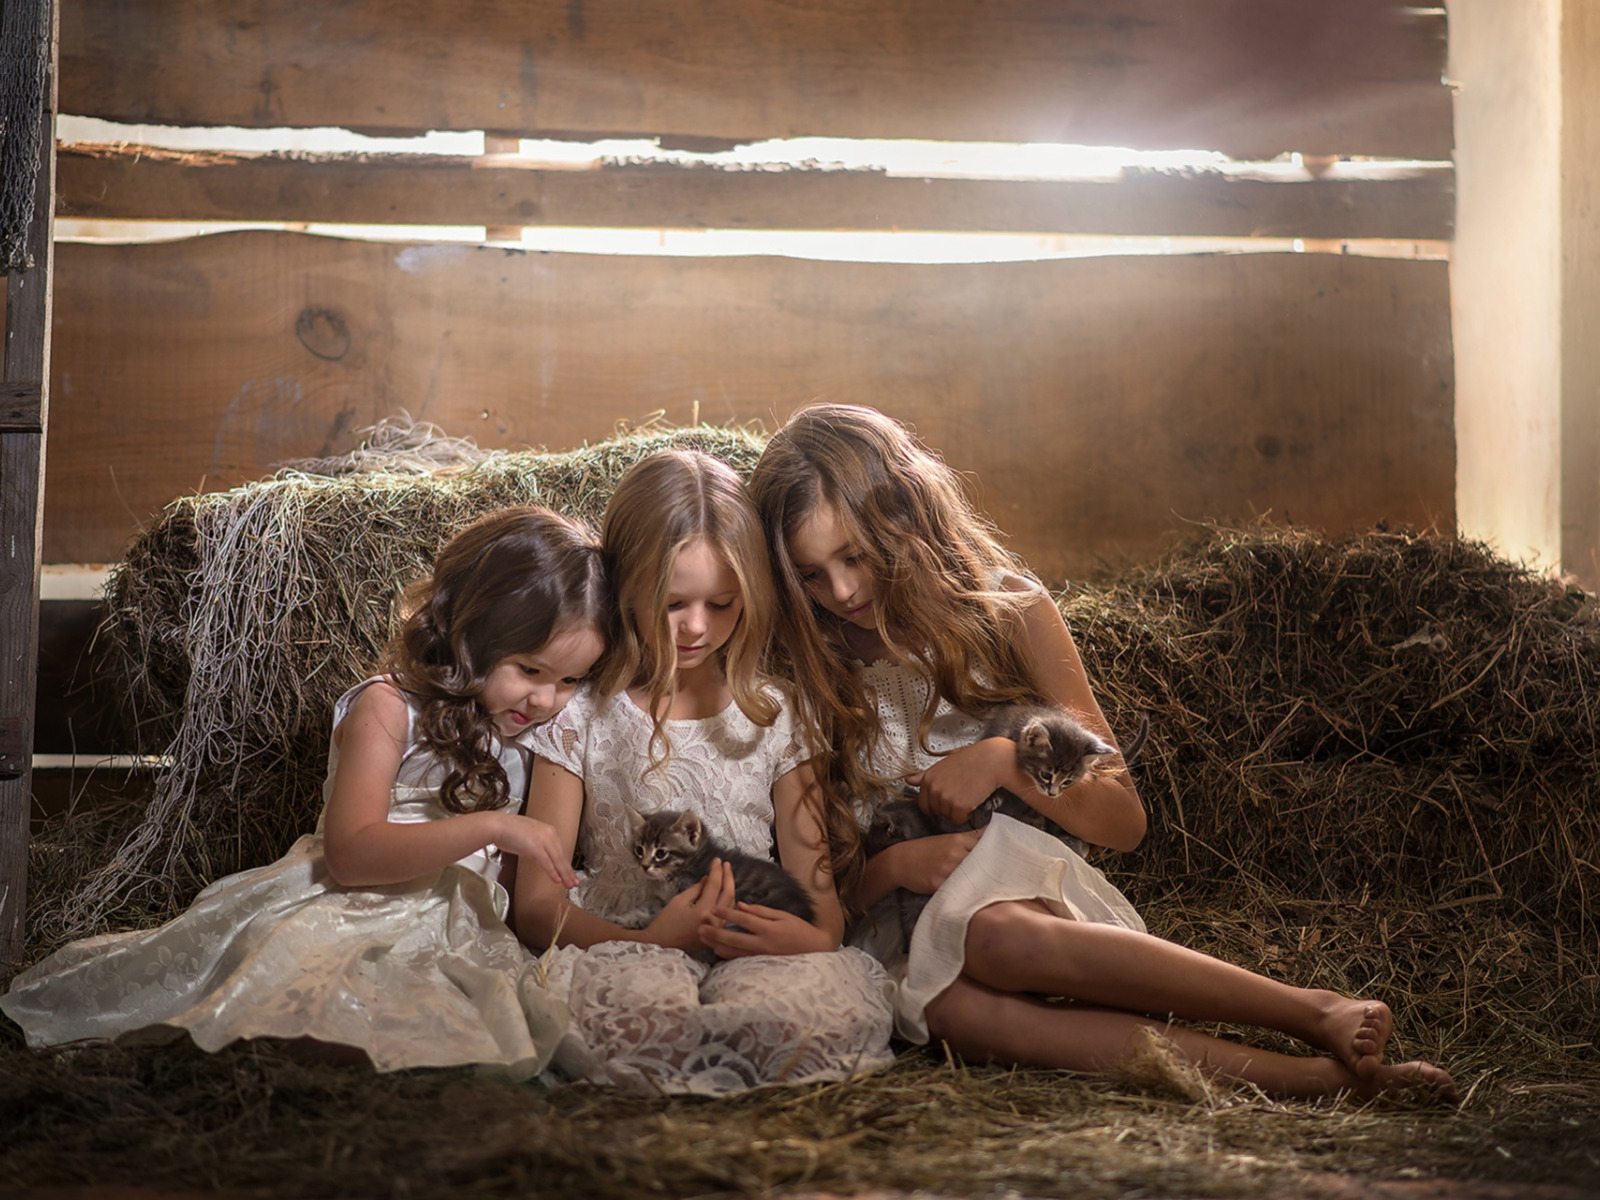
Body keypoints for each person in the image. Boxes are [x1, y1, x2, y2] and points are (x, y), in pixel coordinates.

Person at [748, 403, 1457, 1102]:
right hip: (887, 924)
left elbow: (1124, 820)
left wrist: (1004, 761)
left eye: (856, 557)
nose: (840, 591)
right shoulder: (801, 667)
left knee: (991, 933)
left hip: (1019, 895)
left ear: (904, 516)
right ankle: (1319, 1082)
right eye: (812, 574)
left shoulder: (1011, 613)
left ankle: (1312, 1010)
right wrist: (893, 865)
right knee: (947, 1016)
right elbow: (811, 876)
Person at [2, 506, 607, 1078]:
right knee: (312, 1007)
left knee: (475, 1027)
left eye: (570, 680)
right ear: (473, 634)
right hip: (349, 905)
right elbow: (352, 854)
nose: (547, 700)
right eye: (530, 670)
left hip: (459, 924)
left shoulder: (538, 734)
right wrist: (494, 828)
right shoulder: (387, 709)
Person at [514, 449, 894, 1096]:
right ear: (622, 583)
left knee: (810, 1015)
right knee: (638, 1013)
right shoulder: (581, 712)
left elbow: (822, 906)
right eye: (672, 603)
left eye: (722, 604)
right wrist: (658, 941)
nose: (697, 627)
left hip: (750, 940)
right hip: (624, 936)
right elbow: (534, 903)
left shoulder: (777, 713)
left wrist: (804, 935)